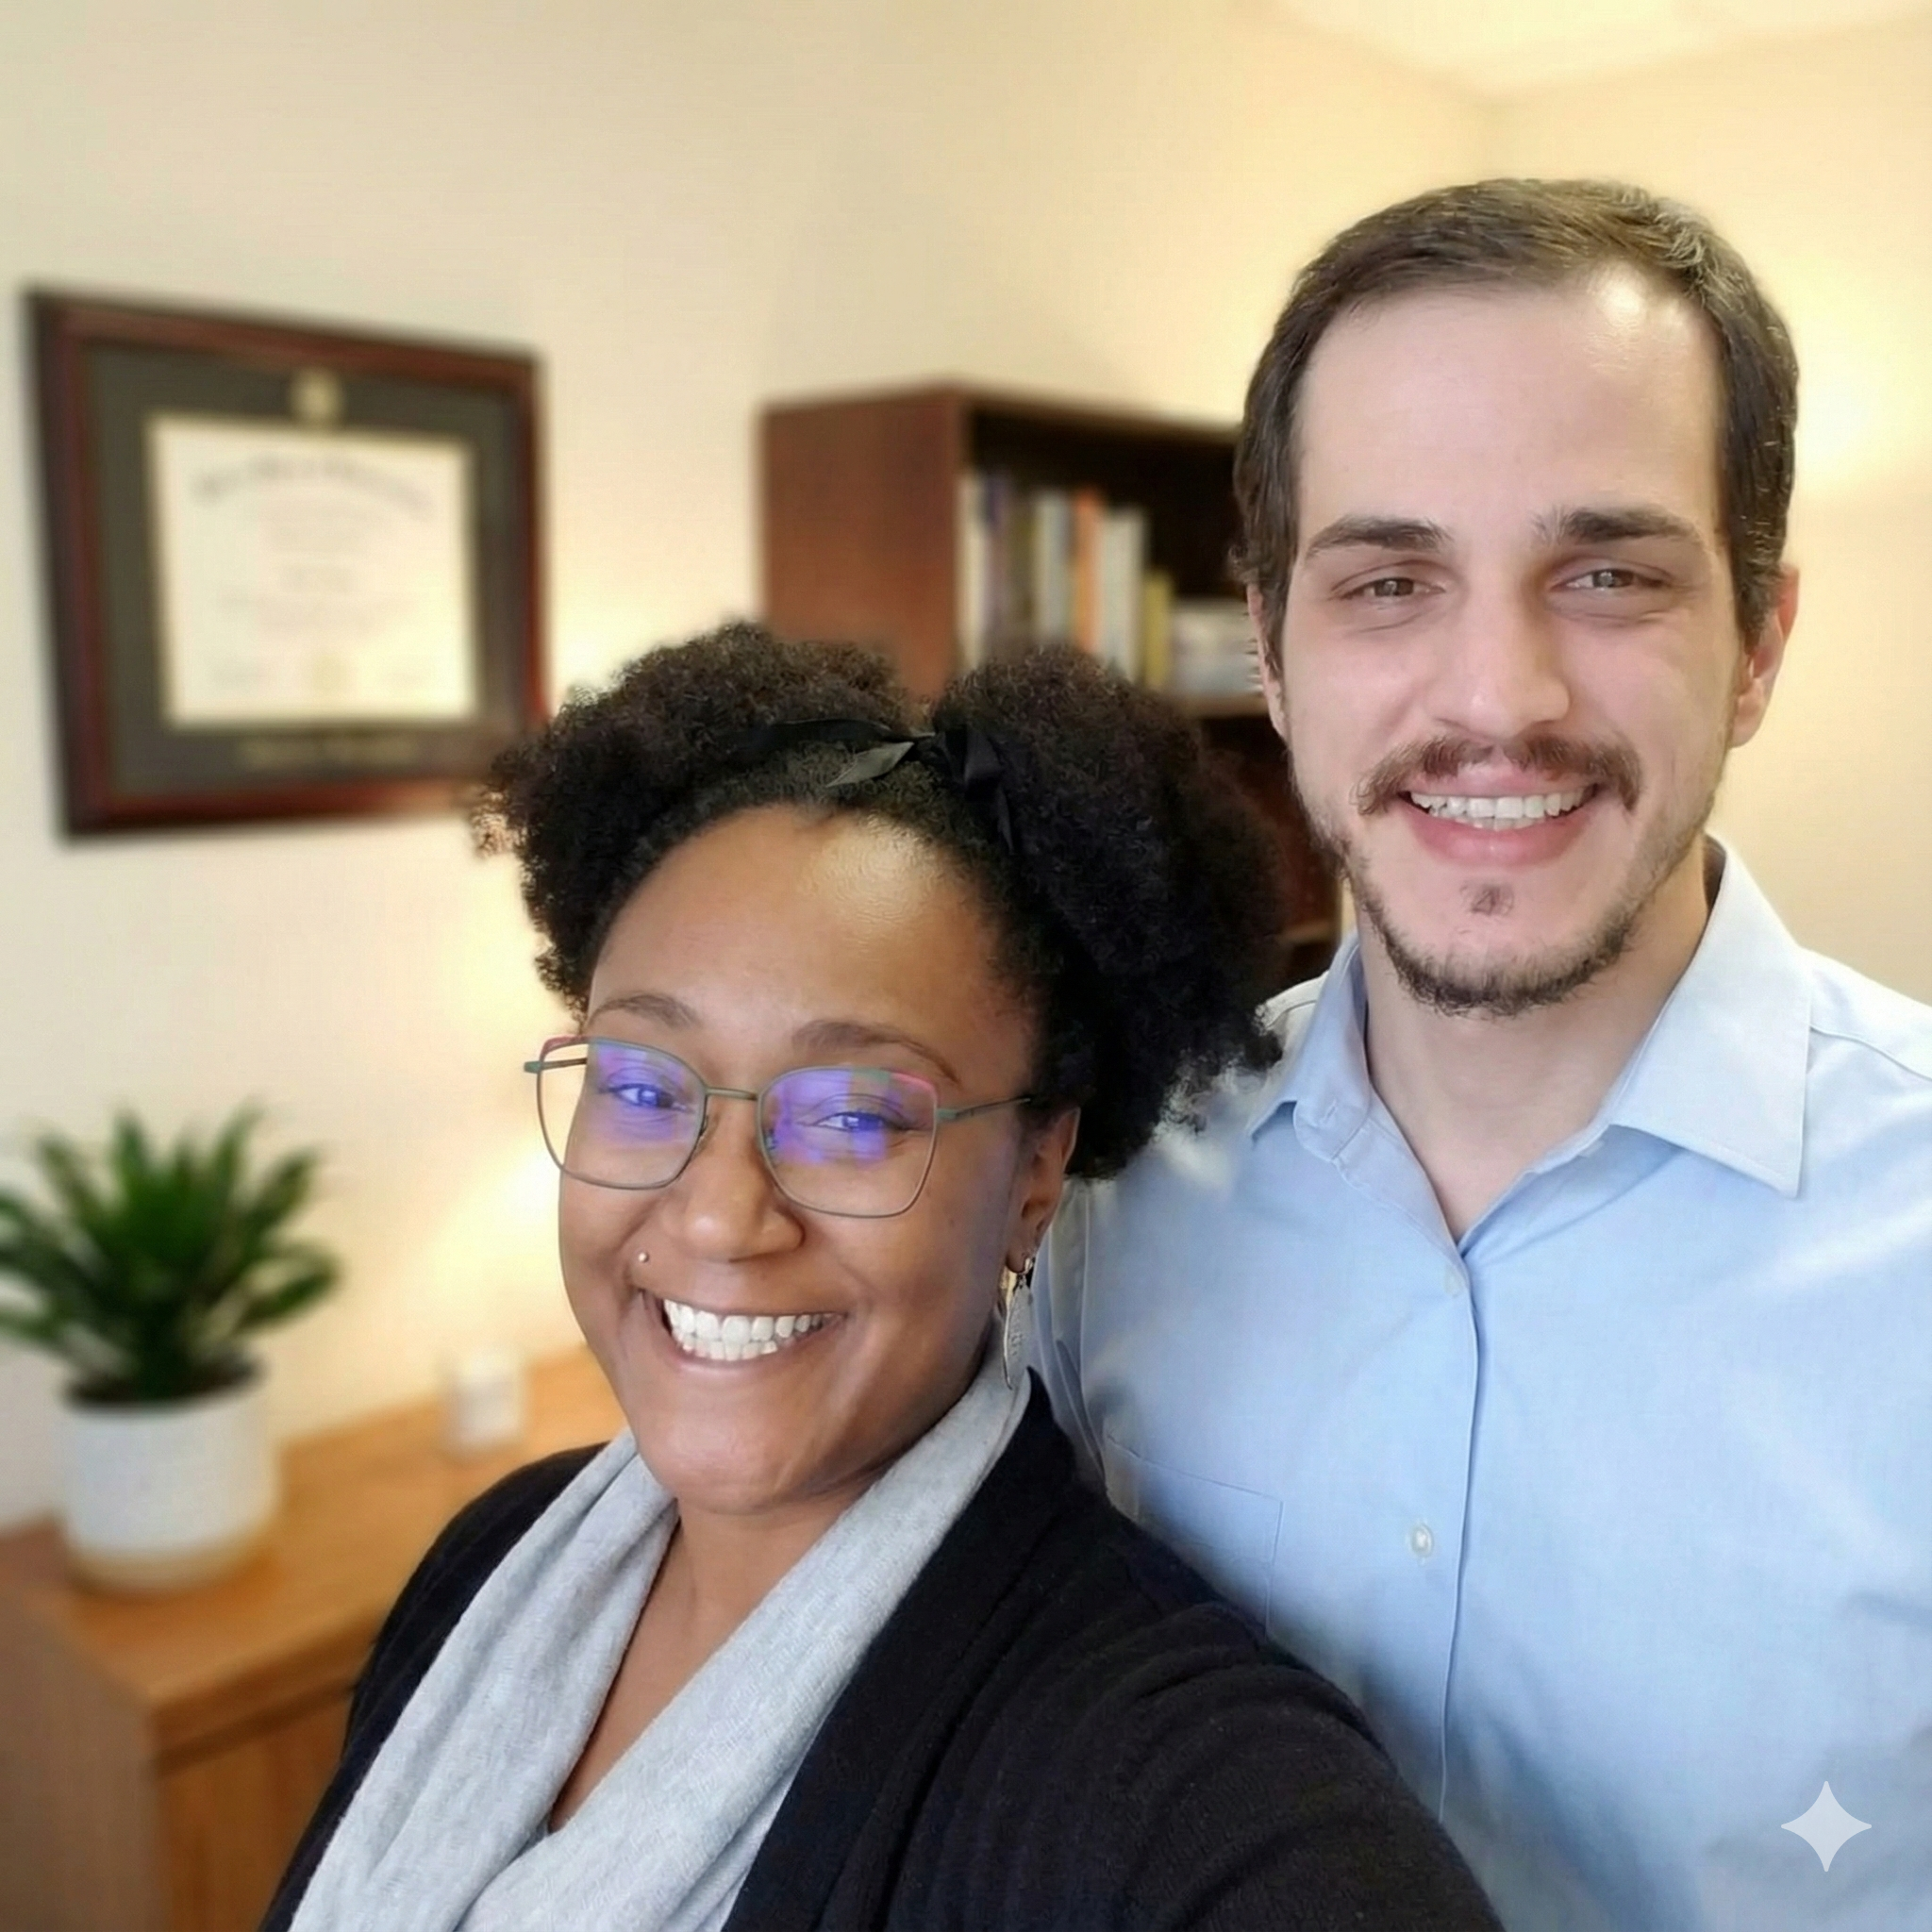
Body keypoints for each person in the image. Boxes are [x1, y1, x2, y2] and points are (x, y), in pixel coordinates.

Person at [262, 625, 1499, 1932]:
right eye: (639, 1082)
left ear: (1037, 1166)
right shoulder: (490, 1562)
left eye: (851, 1115)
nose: (721, 1215)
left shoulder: (1193, 1809)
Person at [1034, 177, 1932, 1932]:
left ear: (1759, 643)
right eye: (1388, 581)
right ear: (1274, 652)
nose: (1497, 696)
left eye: (1604, 573)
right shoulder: (1110, 1196)